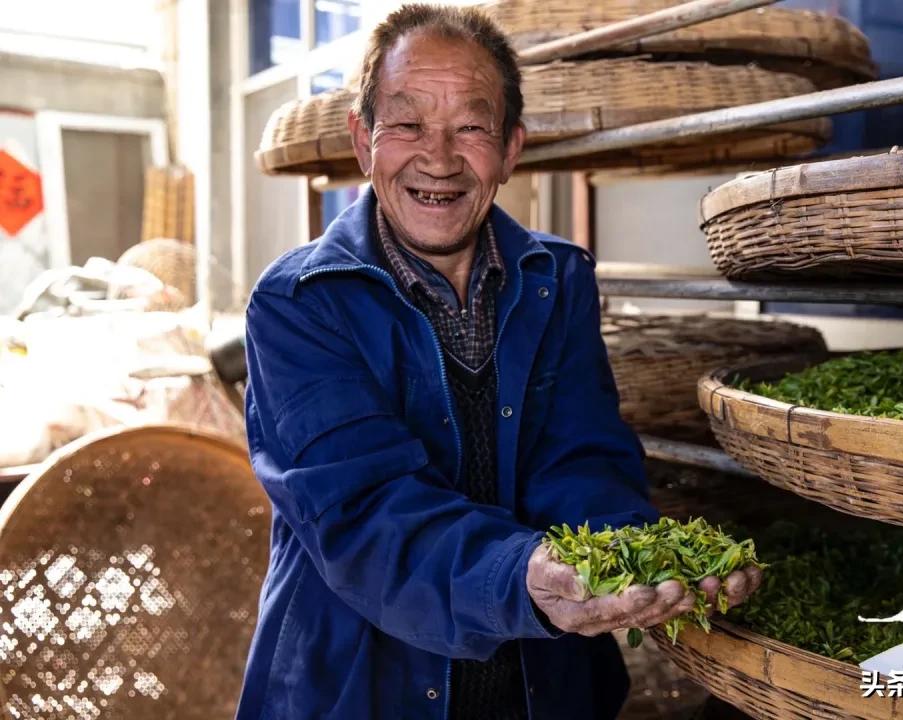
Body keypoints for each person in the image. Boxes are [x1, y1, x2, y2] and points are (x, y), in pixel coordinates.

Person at [237, 5, 761, 719]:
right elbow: (362, 513)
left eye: (471, 128)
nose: (439, 158)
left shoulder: (556, 278)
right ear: (363, 140)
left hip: (541, 686)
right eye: (407, 123)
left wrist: (627, 558)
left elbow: (581, 456)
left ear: (512, 148)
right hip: (362, 687)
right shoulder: (300, 302)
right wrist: (524, 577)